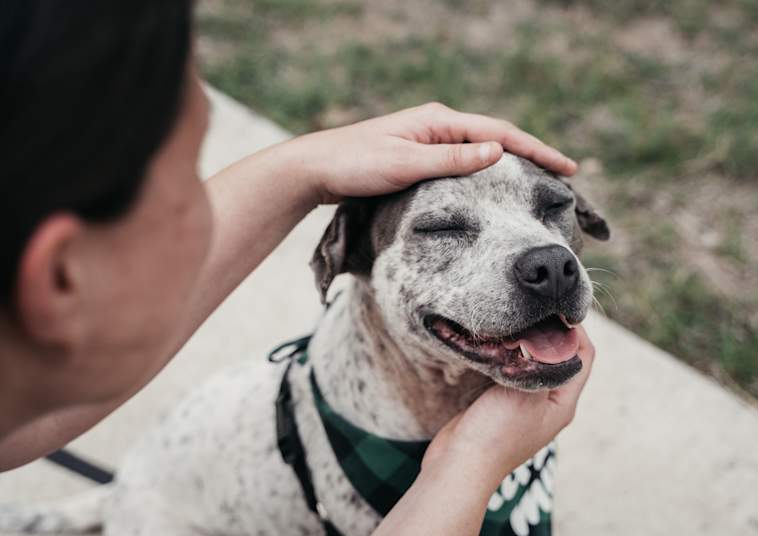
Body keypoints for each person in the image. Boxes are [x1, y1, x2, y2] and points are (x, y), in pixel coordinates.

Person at [0, 1, 595, 534]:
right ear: (60, 278)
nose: (546, 257)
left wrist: (306, 167)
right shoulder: (353, 458)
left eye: (552, 209)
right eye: (192, 190)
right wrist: (471, 465)